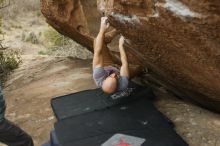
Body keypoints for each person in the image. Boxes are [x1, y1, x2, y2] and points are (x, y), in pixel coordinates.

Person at [93, 17, 141, 94]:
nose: (114, 75)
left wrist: (102, 29)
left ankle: (118, 29)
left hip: (107, 65)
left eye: (111, 76)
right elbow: (124, 63)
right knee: (139, 66)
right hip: (120, 70)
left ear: (104, 79)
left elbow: (98, 52)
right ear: (117, 85)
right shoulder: (123, 84)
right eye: (115, 77)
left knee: (97, 41)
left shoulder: (98, 75)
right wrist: (121, 45)